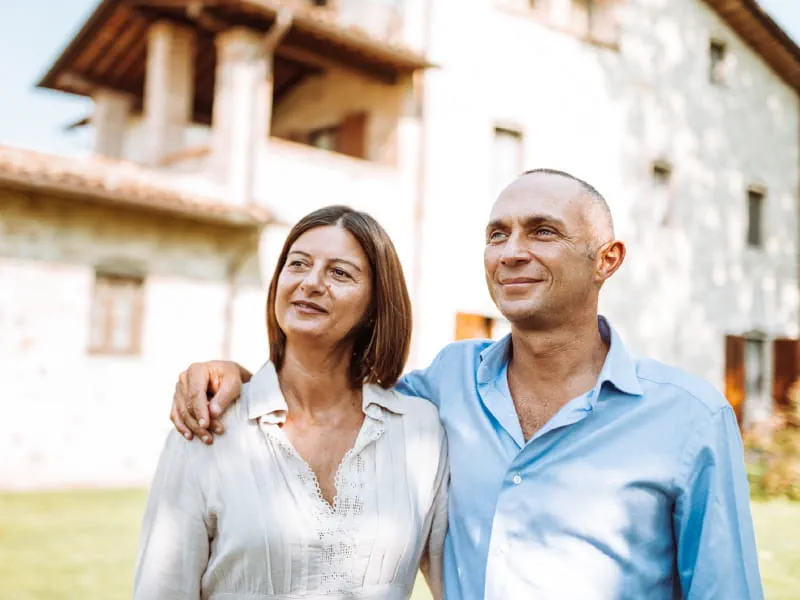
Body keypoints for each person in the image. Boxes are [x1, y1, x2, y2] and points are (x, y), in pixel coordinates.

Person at [171, 169, 764, 599]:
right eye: (497, 233)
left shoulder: (688, 417)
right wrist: (236, 375)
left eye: (543, 232)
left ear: (607, 259)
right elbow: (332, 396)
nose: (512, 252)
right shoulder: (441, 389)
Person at [134, 205, 448, 600]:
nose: (311, 282)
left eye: (340, 272)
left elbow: (456, 584)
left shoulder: (421, 431)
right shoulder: (206, 426)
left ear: (374, 305)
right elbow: (161, 590)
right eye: (298, 264)